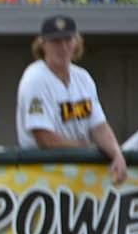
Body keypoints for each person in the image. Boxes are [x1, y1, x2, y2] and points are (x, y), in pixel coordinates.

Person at [15, 15, 128, 183]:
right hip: (41, 174)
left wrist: (117, 154)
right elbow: (45, 139)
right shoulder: (35, 78)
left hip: (76, 174)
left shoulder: (82, 77)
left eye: (68, 40)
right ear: (43, 45)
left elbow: (99, 126)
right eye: (55, 42)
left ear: (76, 42)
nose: (63, 47)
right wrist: (85, 149)